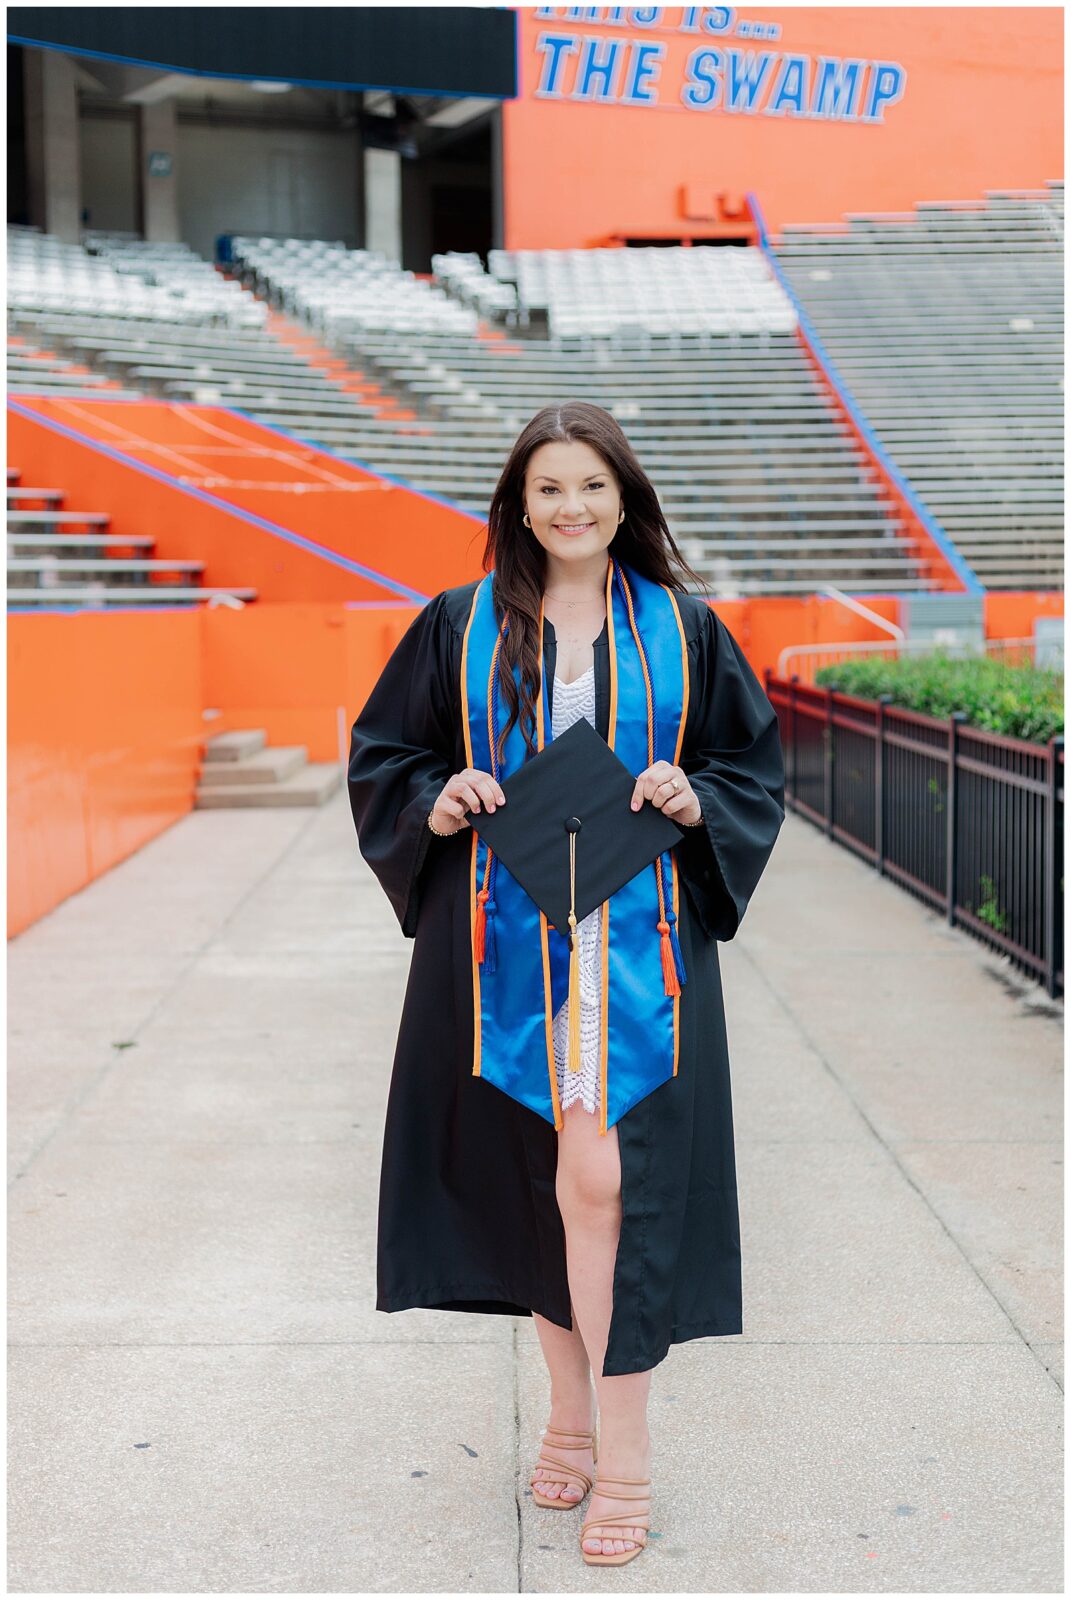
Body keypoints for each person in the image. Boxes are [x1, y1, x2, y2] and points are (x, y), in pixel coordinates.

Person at [347, 400, 785, 1568]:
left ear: (623, 497)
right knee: (539, 1180)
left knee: (606, 1182)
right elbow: (388, 752)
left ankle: (625, 1462)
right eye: (549, 488)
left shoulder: (686, 629)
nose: (573, 506)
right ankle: (571, 1419)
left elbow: (748, 763)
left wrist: (698, 801)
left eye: (592, 484)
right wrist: (438, 798)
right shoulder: (460, 623)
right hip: (502, 939)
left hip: (637, 953)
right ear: (519, 504)